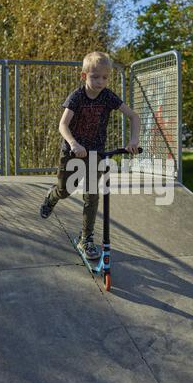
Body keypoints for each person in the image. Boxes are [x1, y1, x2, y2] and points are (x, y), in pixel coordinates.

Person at [40, 51, 140, 260]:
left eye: (104, 77)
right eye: (95, 77)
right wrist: (74, 143)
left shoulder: (108, 96)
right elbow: (63, 125)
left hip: (97, 153)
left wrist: (133, 141)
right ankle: (52, 197)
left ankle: (86, 238)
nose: (100, 81)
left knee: (92, 195)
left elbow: (133, 116)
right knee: (65, 190)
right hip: (73, 151)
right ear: (84, 76)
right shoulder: (77, 96)